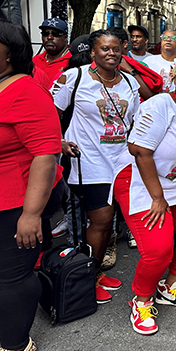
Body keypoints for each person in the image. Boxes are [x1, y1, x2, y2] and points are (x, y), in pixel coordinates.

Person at [112, 58, 176, 335]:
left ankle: (170, 286)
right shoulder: (159, 105)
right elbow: (140, 151)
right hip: (142, 181)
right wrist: (157, 198)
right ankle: (141, 301)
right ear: (173, 78)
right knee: (157, 251)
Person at [53, 29, 141, 304]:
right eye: (104, 48)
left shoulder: (130, 82)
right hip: (89, 161)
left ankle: (96, 272)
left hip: (122, 162)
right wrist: (59, 141)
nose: (111, 53)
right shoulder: (74, 77)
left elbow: (136, 120)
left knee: (109, 223)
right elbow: (50, 112)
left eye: (116, 48)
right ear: (93, 52)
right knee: (101, 220)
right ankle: (87, 278)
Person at [0, 20, 61, 351]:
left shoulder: (26, 91)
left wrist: (31, 214)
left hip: (15, 201)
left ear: (9, 53)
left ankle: (16, 344)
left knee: (12, 275)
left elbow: (45, 155)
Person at [33, 18, 72, 85]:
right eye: (45, 33)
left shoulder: (73, 61)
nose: (49, 37)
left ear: (65, 37)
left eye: (55, 34)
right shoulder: (35, 61)